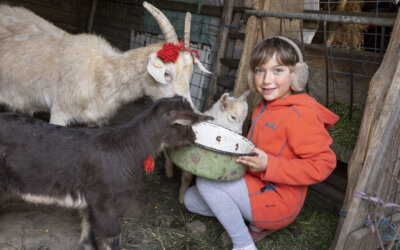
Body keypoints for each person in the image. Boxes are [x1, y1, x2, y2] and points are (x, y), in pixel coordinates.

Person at [183, 36, 339, 250]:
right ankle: (254, 222)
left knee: (206, 184)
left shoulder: (299, 115)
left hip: (279, 199)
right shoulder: (263, 106)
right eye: (259, 70)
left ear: (296, 75)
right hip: (254, 183)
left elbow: (324, 164)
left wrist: (270, 165)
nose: (266, 79)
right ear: (251, 75)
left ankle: (244, 244)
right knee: (192, 199)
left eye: (278, 70)